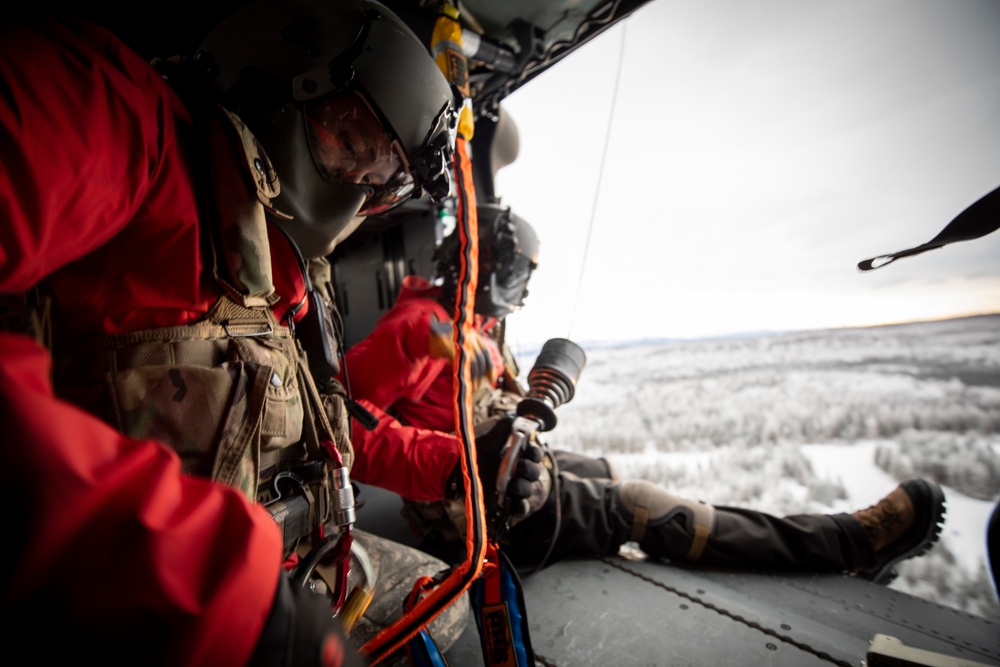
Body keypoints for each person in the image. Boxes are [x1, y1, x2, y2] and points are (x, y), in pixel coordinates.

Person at [0, 1, 466, 664]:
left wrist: (453, 467)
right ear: (285, 72)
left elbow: (347, 427)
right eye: (353, 142)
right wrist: (215, 592)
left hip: (300, 584)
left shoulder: (291, 285)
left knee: (457, 611)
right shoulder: (117, 110)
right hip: (162, 618)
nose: (358, 186)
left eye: (381, 178)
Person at [342, 202, 948, 584]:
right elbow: (346, 415)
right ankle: (849, 542)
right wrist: (451, 451)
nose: (522, 294)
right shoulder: (420, 327)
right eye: (520, 275)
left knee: (605, 469)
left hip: (499, 467)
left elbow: (469, 400)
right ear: (494, 264)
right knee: (638, 504)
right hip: (469, 506)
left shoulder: (470, 329)